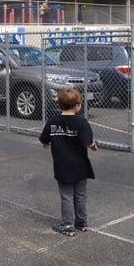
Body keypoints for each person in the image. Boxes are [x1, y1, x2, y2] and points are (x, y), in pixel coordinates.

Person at [39, 88, 98, 236]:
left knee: (66, 196)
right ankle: (81, 222)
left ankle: (68, 225)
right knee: (80, 195)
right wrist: (94, 145)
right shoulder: (81, 122)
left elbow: (44, 139)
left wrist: (47, 143)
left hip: (62, 166)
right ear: (78, 105)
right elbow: (87, 142)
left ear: (60, 105)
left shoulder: (53, 121)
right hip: (80, 166)